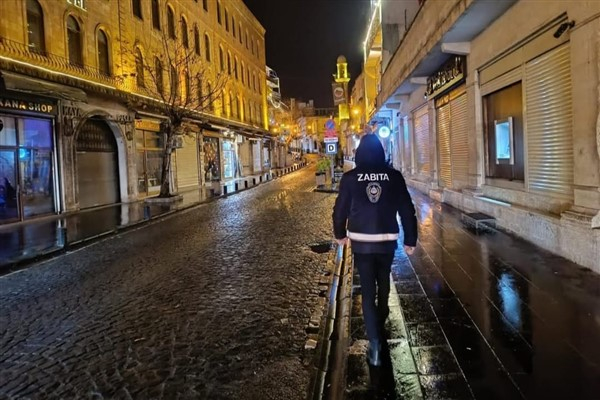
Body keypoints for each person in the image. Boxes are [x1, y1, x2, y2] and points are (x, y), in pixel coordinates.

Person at [332, 133, 418, 367]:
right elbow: (407, 209)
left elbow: (339, 210)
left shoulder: (350, 178)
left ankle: (376, 345)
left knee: (367, 290)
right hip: (386, 240)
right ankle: (382, 316)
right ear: (381, 152)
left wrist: (340, 234)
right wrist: (411, 239)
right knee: (384, 278)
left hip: (361, 242)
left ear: (359, 154)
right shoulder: (394, 176)